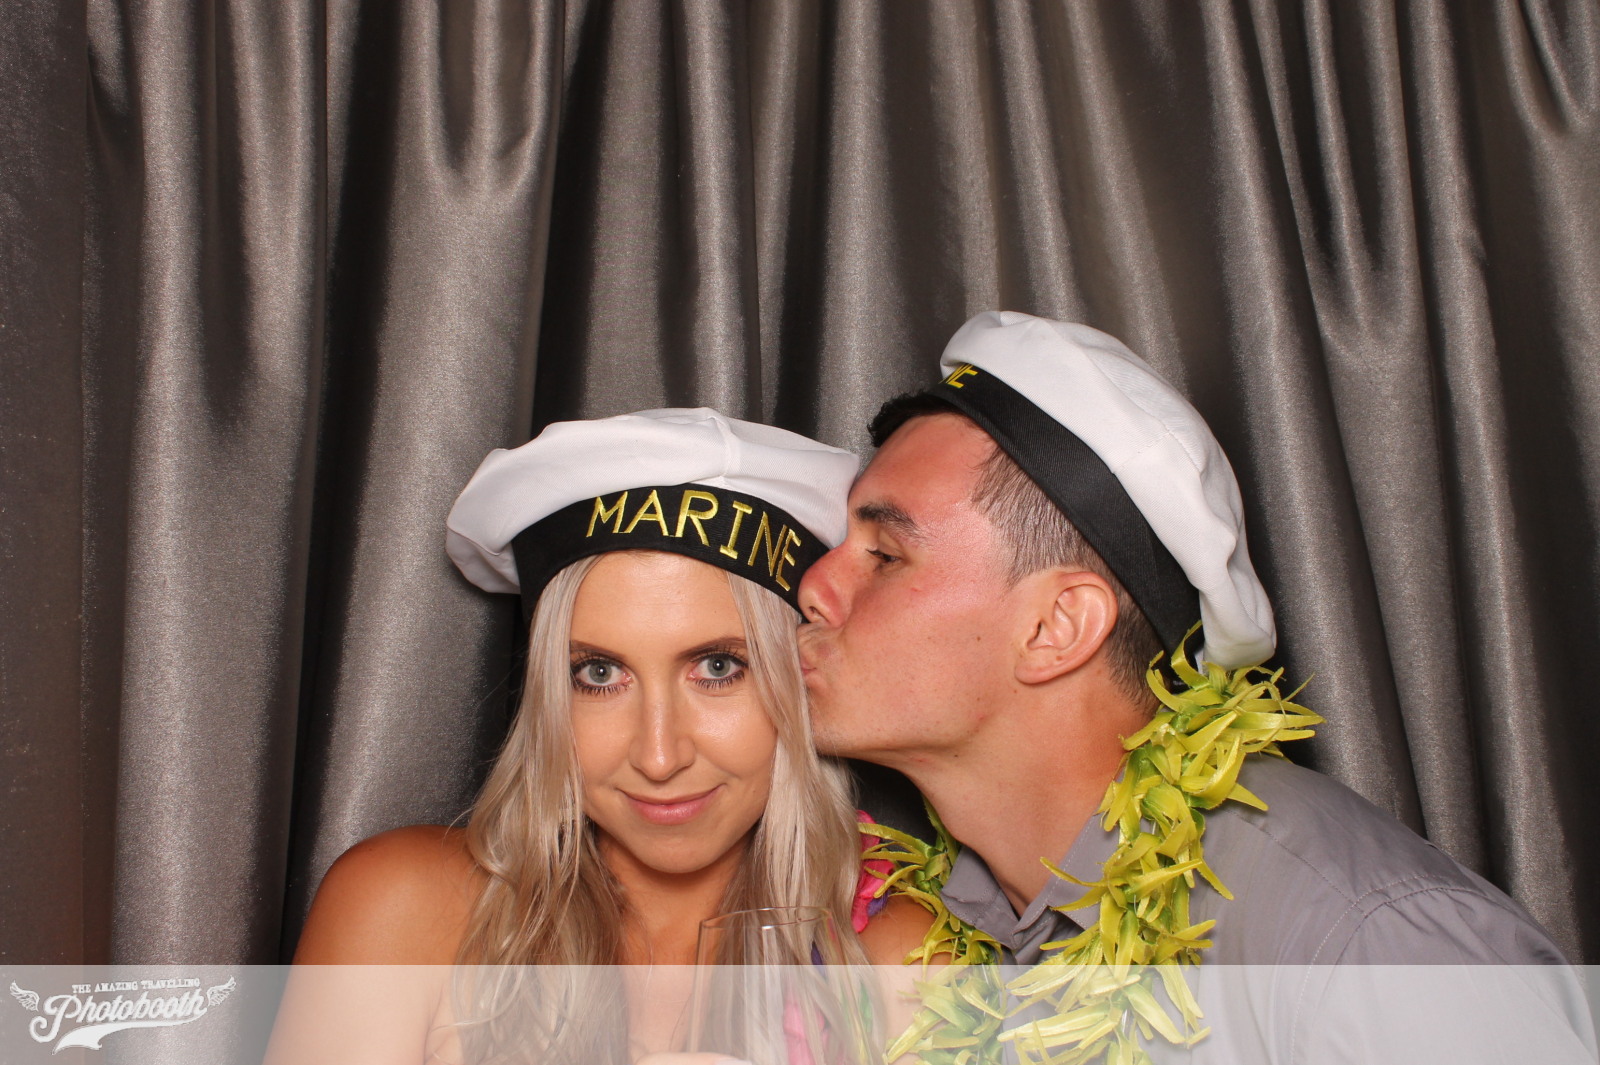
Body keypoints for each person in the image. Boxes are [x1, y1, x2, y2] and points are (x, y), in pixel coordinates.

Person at [795, 311, 1597, 1063]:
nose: (813, 587)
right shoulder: (959, 936)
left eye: (885, 554)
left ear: (1057, 627)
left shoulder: (1363, 944)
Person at [265, 408, 932, 1065]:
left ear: (801, 674)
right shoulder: (404, 911)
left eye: (718, 667)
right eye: (599, 673)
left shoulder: (902, 964)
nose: (659, 756)